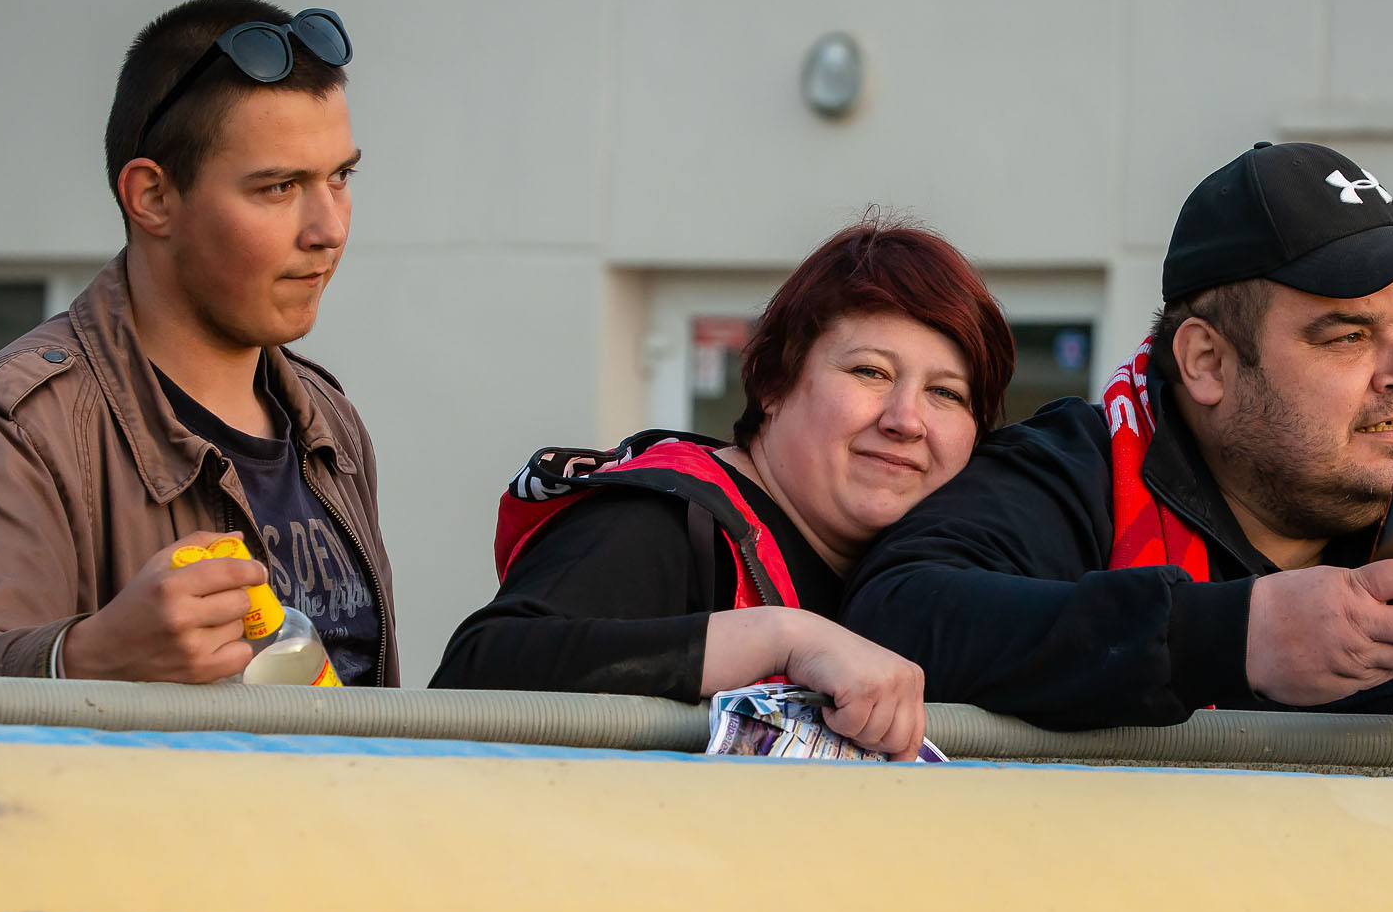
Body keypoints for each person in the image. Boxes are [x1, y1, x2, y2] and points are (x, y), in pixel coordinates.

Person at [841, 141, 1393, 731]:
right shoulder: (1080, 469)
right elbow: (895, 613)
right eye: (1347, 335)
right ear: (1206, 362)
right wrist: (1233, 637)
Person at [0, 0, 397, 684]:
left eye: (340, 177)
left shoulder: (329, 420)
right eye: (279, 187)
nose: (328, 227)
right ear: (151, 198)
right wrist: (83, 659)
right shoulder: (19, 430)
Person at [432, 217, 1016, 756]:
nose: (905, 419)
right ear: (772, 382)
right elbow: (477, 671)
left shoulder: (925, 576)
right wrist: (781, 639)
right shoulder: (661, 521)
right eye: (870, 372)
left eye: (946, 393)